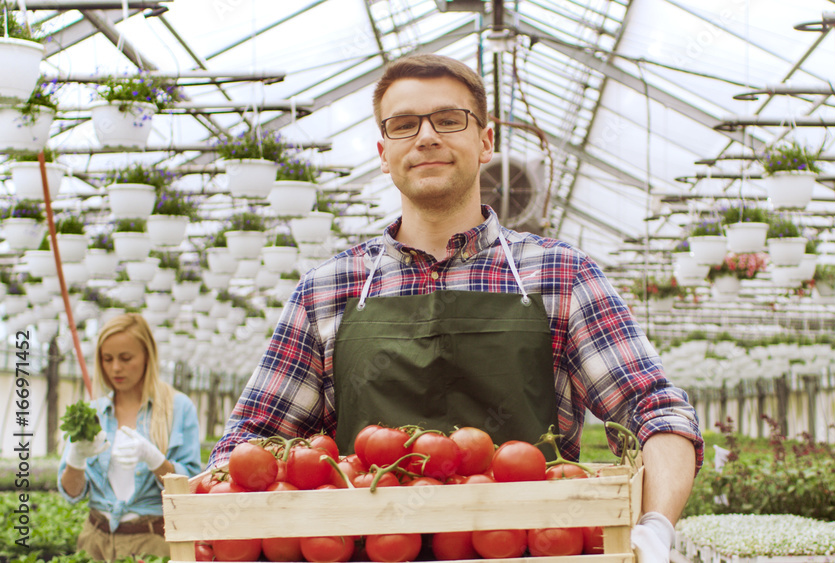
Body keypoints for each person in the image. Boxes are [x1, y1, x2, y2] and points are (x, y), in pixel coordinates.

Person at [210, 54, 702, 560]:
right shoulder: (328, 289)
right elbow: (252, 440)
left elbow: (656, 410)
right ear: (383, 152)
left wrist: (654, 527)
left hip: (532, 551)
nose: (426, 137)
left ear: (485, 142)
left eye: (449, 120)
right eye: (404, 125)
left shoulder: (560, 275)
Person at [58, 313, 201, 561]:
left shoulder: (178, 408)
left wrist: (155, 460)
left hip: (151, 543)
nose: (115, 368)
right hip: (94, 541)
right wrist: (76, 457)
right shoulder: (92, 414)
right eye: (107, 359)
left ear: (147, 356)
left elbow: (191, 489)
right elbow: (71, 493)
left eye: (126, 358)